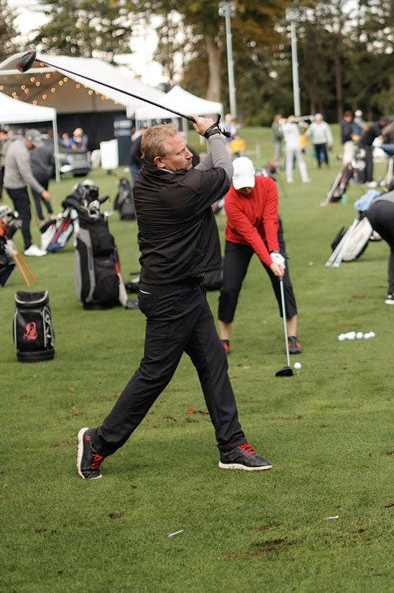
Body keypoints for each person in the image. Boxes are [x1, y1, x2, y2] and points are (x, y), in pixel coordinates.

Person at [76, 118, 272, 479]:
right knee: (153, 377)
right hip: (169, 297)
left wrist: (199, 139)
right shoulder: (179, 190)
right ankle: (98, 442)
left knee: (214, 364)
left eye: (187, 146)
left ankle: (232, 445)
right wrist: (212, 133)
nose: (189, 154)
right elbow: (223, 171)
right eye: (180, 152)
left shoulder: (150, 179)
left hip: (187, 291)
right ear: (159, 163)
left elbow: (205, 166)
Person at [218, 156, 301, 356]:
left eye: (248, 185)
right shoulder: (230, 200)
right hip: (239, 241)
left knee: (283, 282)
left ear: (254, 176)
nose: (246, 190)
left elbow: (270, 220)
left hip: (269, 235)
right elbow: (250, 235)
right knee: (229, 287)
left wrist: (274, 254)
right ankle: (223, 339)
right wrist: (269, 261)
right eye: (241, 187)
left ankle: (292, 337)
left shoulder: (268, 186)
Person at [3, 129, 51, 256]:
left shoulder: (18, 144)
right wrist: (42, 191)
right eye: (33, 143)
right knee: (25, 216)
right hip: (16, 187)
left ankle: (6, 239)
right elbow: (27, 176)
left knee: (20, 216)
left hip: (12, 185)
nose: (34, 146)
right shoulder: (22, 152)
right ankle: (28, 245)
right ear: (28, 139)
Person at [30, 129, 55, 220]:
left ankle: (41, 218)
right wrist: (49, 172)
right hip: (45, 175)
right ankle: (50, 213)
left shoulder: (31, 149)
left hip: (35, 175)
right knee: (45, 194)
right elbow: (52, 161)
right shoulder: (47, 147)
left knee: (37, 198)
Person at [282, 115, 310, 184]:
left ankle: (304, 178)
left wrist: (299, 122)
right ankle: (290, 178)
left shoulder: (295, 125)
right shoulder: (287, 125)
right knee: (290, 162)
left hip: (296, 146)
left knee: (298, 162)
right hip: (291, 146)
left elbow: (306, 127)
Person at [0, 127, 9, 200]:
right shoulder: (1, 143)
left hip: (6, 164)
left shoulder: (8, 143)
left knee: (4, 181)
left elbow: (9, 153)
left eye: (2, 135)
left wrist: (1, 152)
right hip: (1, 165)